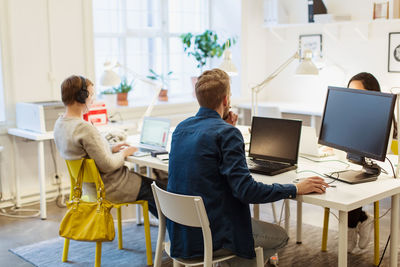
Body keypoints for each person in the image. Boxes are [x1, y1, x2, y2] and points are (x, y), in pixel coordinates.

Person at [167, 68, 329, 266]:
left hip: (182, 236)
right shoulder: (226, 134)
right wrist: (295, 188)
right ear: (226, 100)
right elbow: (247, 192)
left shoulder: (181, 128)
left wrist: (227, 128)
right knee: (280, 236)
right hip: (214, 235)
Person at [53, 75, 158, 216]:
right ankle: (176, 235)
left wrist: (111, 148)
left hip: (90, 188)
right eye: (91, 94)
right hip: (111, 187)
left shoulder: (60, 124)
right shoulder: (84, 128)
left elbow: (86, 153)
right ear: (81, 96)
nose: (92, 98)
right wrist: (125, 153)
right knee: (159, 191)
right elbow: (108, 165)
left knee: (153, 188)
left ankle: (167, 231)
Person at [346, 72, 397, 252]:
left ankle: (351, 226)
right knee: (340, 184)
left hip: (379, 171)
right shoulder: (349, 115)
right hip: (352, 166)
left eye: (358, 93)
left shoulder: (383, 118)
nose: (354, 98)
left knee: (350, 186)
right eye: (350, 92)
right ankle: (359, 220)